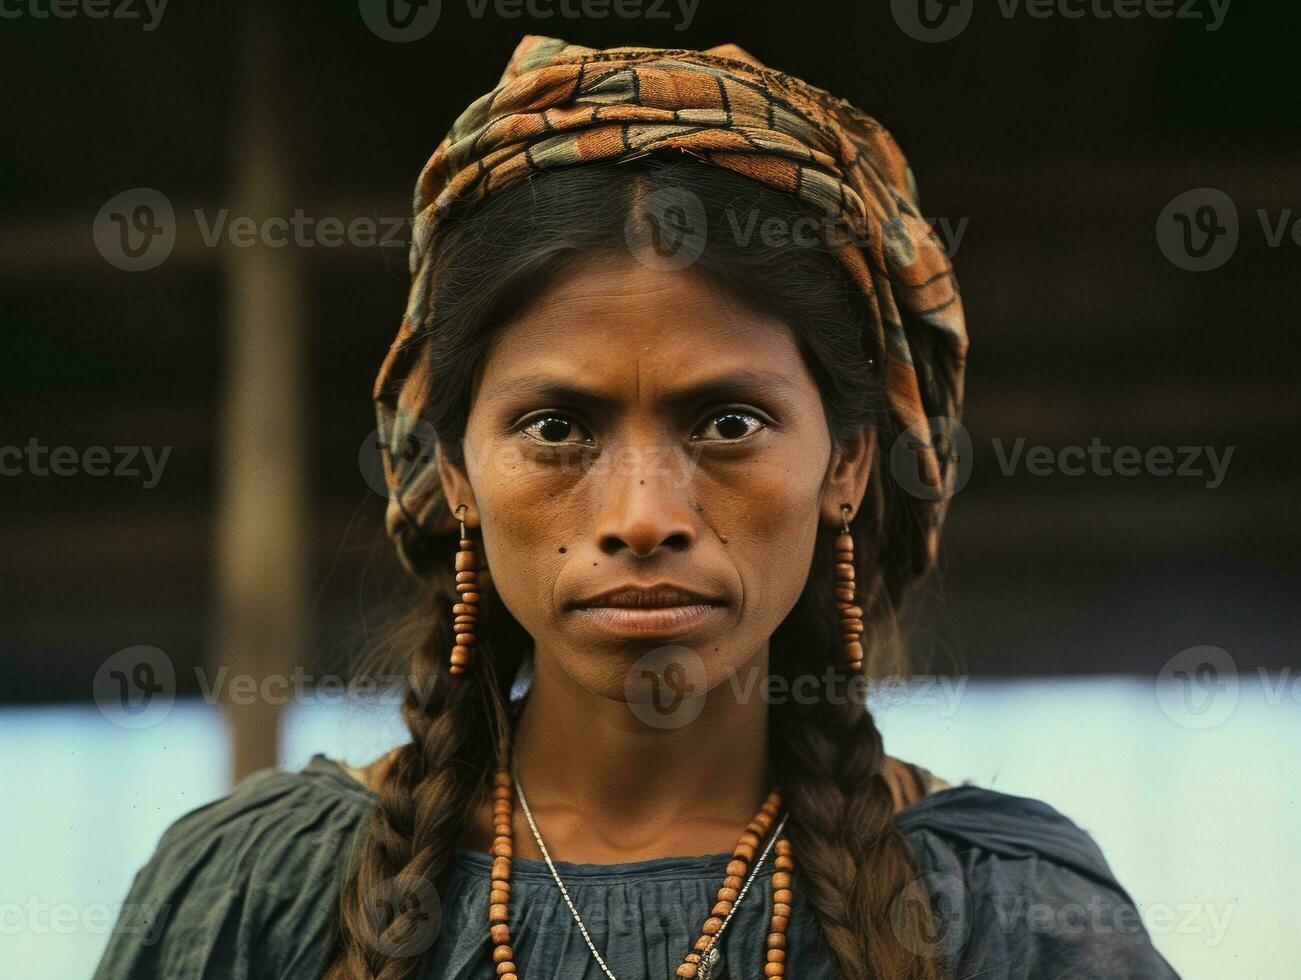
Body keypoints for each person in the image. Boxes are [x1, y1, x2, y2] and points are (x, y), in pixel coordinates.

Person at [95, 35, 1180, 980]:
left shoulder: (1012, 914)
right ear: (456, 472)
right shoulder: (251, 892)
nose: (642, 512)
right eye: (557, 427)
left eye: (728, 423)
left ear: (847, 460)